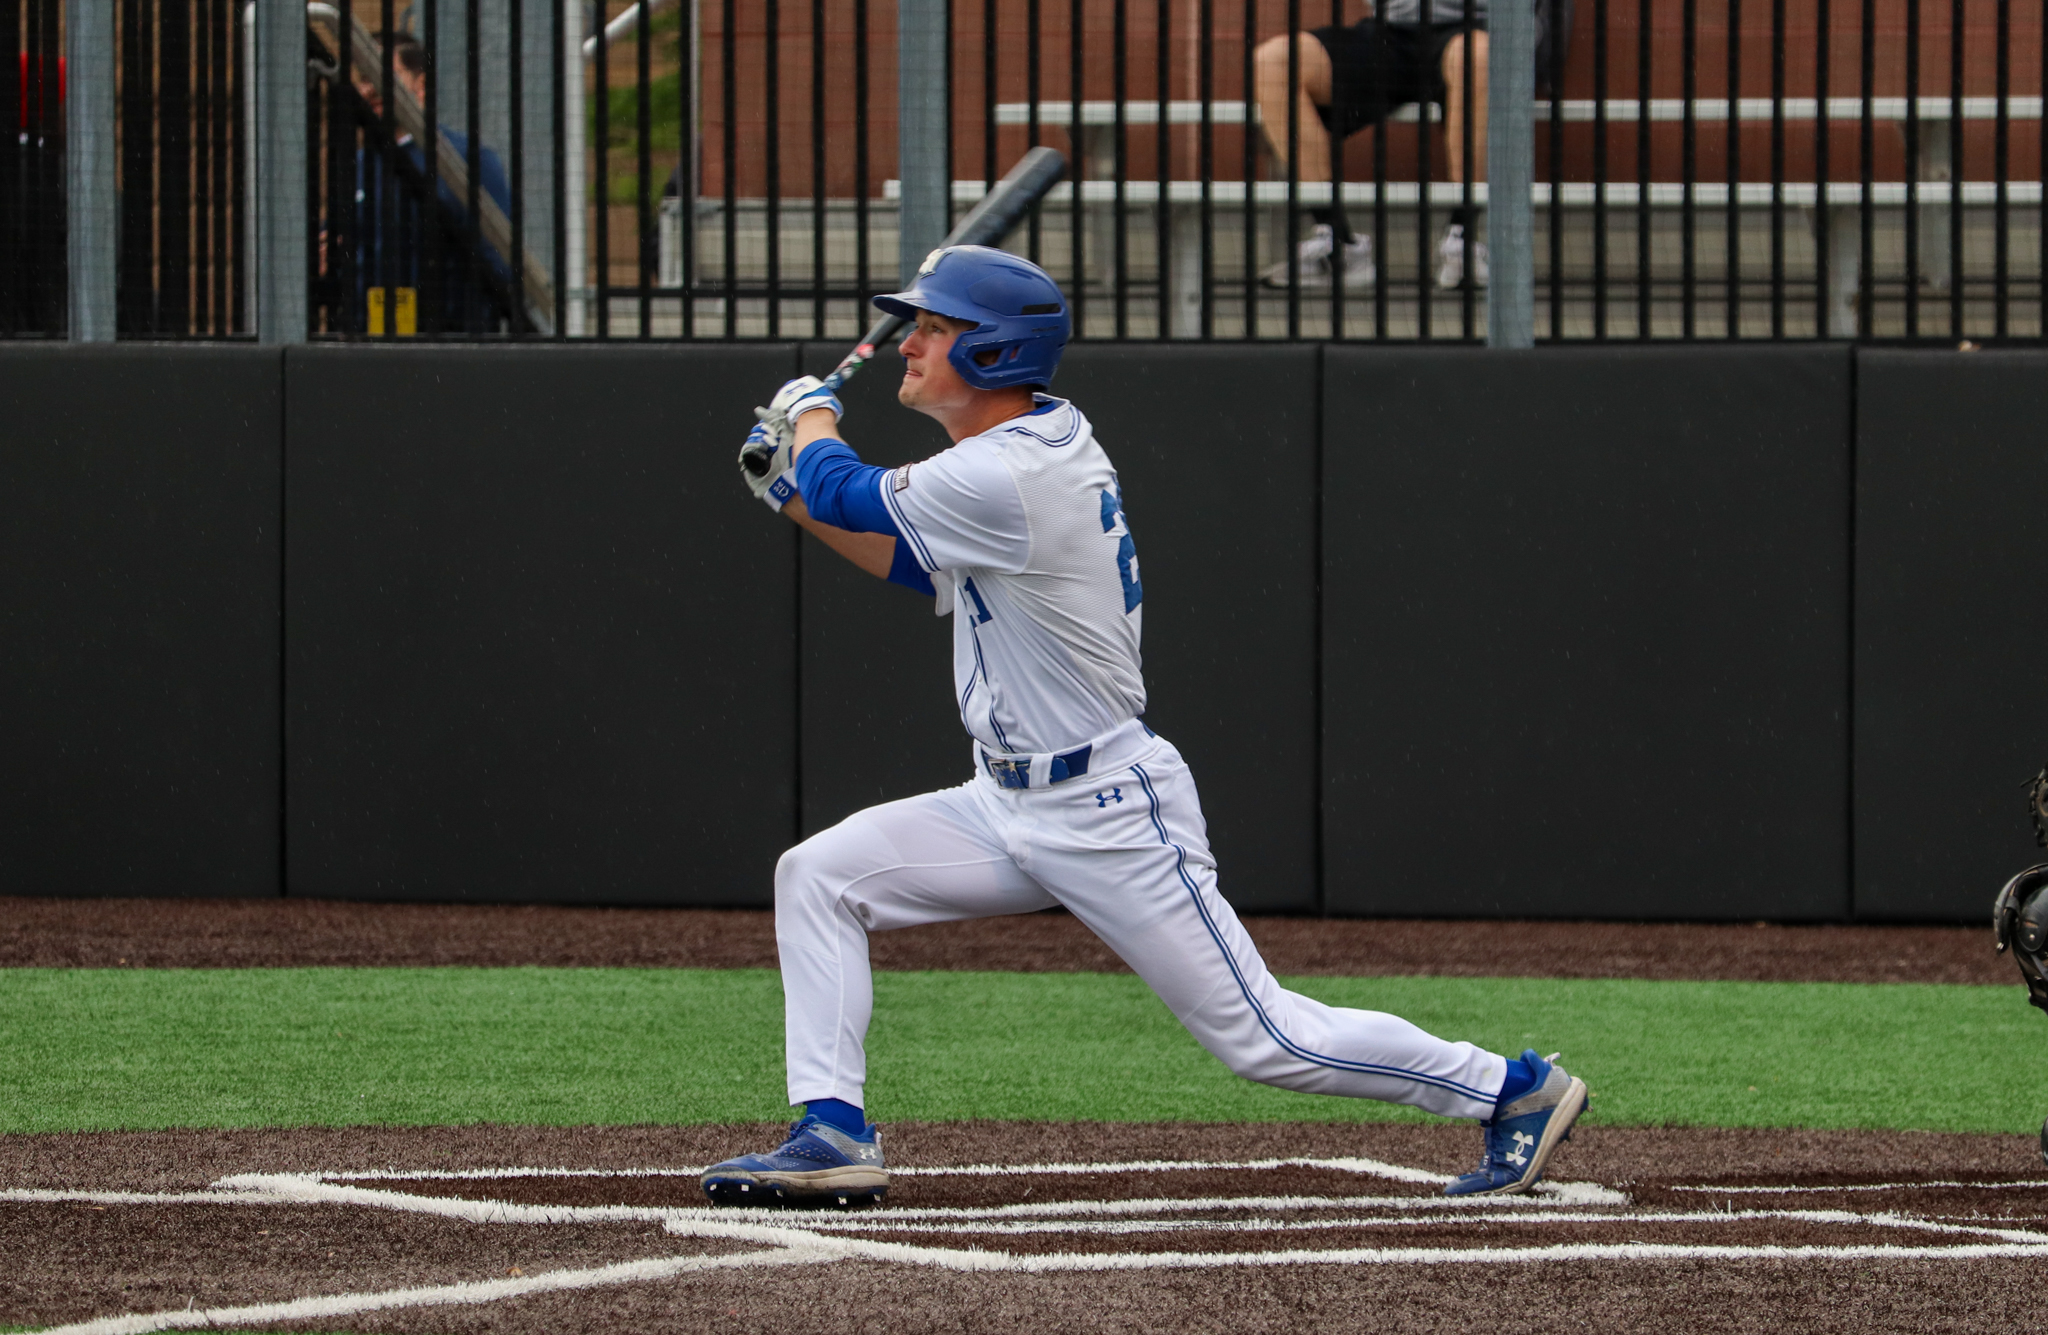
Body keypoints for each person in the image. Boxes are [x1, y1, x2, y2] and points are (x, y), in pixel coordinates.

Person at [704, 244, 1589, 1207]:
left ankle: (1512, 1087)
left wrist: (810, 418)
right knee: (820, 875)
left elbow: (849, 487)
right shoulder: (1010, 456)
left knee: (1269, 1039)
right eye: (914, 324)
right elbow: (915, 565)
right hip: (1001, 801)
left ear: (995, 357)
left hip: (1107, 807)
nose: (910, 342)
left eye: (935, 328)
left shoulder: (1007, 473)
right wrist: (789, 490)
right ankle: (830, 1127)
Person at [1252, 0, 1571, 292]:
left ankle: (1462, 240)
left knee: (1477, 57)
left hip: (1477, 31)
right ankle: (1337, 243)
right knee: (1274, 62)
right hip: (1391, 33)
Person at [347, 33, 516, 330]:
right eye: (363, 76)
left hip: (450, 345)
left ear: (421, 86)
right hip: (367, 344)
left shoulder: (466, 160)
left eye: (383, 75)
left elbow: (501, 263)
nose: (370, 87)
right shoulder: (357, 166)